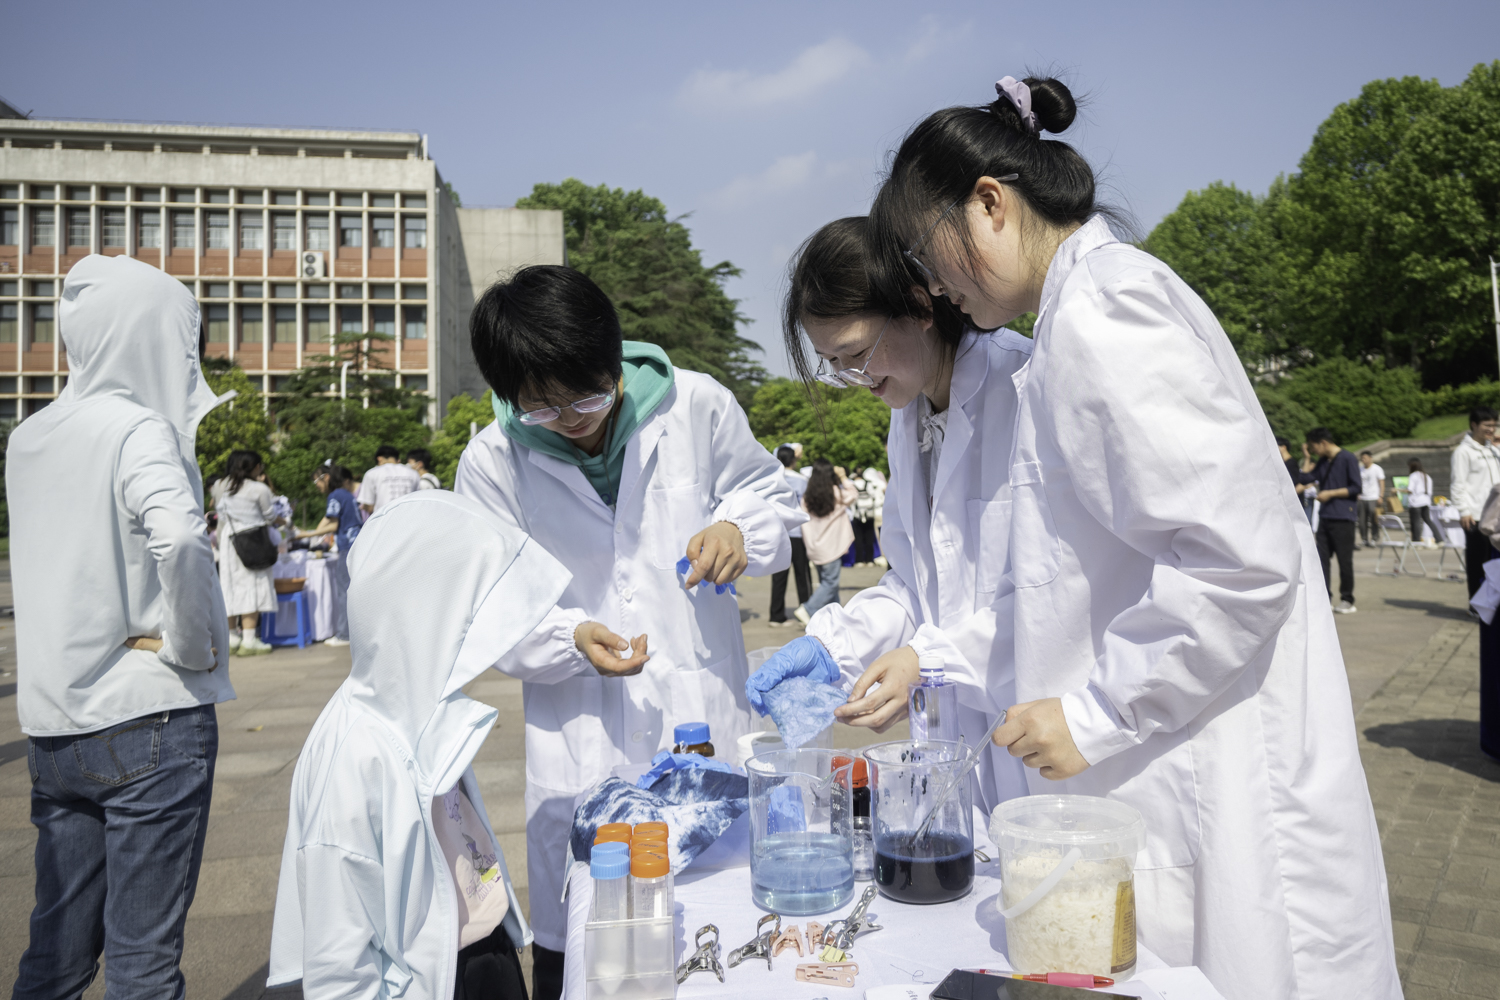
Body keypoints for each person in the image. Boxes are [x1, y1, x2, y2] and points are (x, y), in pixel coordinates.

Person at [867, 75, 1398, 999]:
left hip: (1204, 753)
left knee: (1237, 955)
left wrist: (1096, 711)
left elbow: (1239, 562)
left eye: (927, 256)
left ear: (989, 204)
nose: (932, 287)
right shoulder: (1084, 311)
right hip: (1161, 742)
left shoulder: (1107, 314)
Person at [453, 264, 802, 998]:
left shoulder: (697, 405)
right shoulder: (491, 463)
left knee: (724, 942)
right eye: (543, 409)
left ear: (615, 363)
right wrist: (567, 638)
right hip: (581, 741)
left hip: (698, 712)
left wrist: (739, 526)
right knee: (590, 952)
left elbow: (767, 490)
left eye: (587, 394)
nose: (574, 419)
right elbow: (488, 605)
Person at [751, 215, 1033, 818]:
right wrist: (835, 646)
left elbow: (1058, 595)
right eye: (834, 364)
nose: (856, 379)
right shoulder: (906, 417)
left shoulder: (1024, 388)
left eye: (857, 353)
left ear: (917, 305)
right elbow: (913, 584)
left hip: (1042, 744)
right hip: (962, 743)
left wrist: (927, 661)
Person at [6, 253, 233, 999]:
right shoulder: (138, 427)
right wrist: (189, 645)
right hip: (148, 719)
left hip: (53, 727)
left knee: (55, 953)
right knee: (142, 962)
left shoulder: (29, 437)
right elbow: (182, 538)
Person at [270, 491, 562, 1000]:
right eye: (468, 618)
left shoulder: (418, 708)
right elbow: (338, 968)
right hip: (434, 977)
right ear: (422, 614)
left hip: (476, 949)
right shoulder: (357, 752)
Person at [212, 449, 279, 655]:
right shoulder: (259, 489)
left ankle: (232, 638)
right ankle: (249, 640)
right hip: (252, 540)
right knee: (253, 584)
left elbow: (219, 513)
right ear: (252, 466)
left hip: (228, 540)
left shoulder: (220, 485)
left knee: (229, 586)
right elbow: (270, 517)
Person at [297, 463, 362, 646]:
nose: (316, 485)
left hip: (347, 547)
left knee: (345, 591)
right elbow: (327, 520)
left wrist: (306, 534)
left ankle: (344, 635)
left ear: (326, 478)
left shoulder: (334, 496)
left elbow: (333, 525)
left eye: (316, 481)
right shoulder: (346, 494)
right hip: (357, 544)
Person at [792, 459, 858, 625]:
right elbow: (853, 494)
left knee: (828, 585)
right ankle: (807, 609)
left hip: (815, 547)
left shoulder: (807, 497)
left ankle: (835, 619)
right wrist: (843, 477)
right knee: (830, 583)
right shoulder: (835, 493)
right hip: (832, 547)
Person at [1304, 427, 1361, 612]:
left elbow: (1355, 488)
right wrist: (1306, 458)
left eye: (1313, 447)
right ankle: (1324, 598)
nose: (1313, 451)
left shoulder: (1347, 458)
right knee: (1321, 560)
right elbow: (1306, 478)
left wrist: (1330, 493)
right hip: (1325, 517)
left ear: (1323, 443)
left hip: (1343, 516)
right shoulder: (1322, 461)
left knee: (1344, 561)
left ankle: (1347, 599)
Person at [1451, 406, 1500, 598]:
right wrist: (1464, 511)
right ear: (1474, 425)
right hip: (1476, 516)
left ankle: (1491, 602)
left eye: (1494, 425)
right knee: (1478, 561)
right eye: (1487, 425)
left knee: (1494, 562)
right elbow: (1458, 484)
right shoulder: (1463, 452)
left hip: (1495, 517)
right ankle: (1476, 603)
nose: (1491, 429)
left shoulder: (1493, 451)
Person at [768, 445, 812, 626]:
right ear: (794, 460)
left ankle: (776, 615)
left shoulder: (772, 479)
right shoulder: (801, 480)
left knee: (779, 575)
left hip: (778, 533)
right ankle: (806, 611)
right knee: (802, 574)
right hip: (798, 533)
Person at [359, 444, 421, 514]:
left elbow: (369, 506)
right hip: (409, 518)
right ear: (397, 458)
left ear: (379, 459)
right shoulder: (413, 473)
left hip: (383, 521)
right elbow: (417, 500)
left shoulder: (372, 473)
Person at [850, 468, 881, 564]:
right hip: (869, 514)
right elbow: (874, 497)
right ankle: (869, 559)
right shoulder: (869, 484)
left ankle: (859, 560)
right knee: (869, 537)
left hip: (857, 515)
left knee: (858, 538)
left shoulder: (852, 485)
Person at [1407, 457, 1438, 547]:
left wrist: (1397, 490)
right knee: (1428, 520)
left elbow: (1410, 490)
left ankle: (1416, 541)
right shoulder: (1426, 476)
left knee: (1416, 522)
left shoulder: (1413, 476)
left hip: (1416, 502)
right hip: (1426, 501)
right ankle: (1439, 538)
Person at [1358, 450, 1385, 548]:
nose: (1363, 460)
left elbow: (1381, 483)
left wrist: (1381, 496)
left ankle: (1374, 538)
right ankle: (1364, 539)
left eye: (1365, 458)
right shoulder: (1360, 469)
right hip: (1362, 498)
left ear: (1370, 458)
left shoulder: (1377, 469)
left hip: (1373, 497)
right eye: (1362, 458)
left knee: (1374, 519)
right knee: (1361, 521)